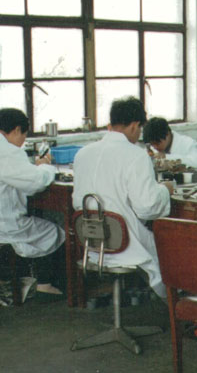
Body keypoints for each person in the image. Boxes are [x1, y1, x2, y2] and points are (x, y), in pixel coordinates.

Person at [72, 97, 173, 299]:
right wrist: (164, 190)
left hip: (92, 243)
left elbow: (77, 201)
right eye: (140, 129)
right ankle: (179, 306)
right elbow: (147, 207)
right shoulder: (136, 155)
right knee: (170, 249)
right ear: (135, 125)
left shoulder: (83, 153)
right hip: (124, 243)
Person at [0, 108, 65, 295]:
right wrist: (45, 167)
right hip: (7, 225)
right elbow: (36, 183)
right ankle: (45, 283)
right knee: (56, 231)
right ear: (16, 130)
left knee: (39, 226)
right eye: (24, 136)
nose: (22, 142)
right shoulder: (8, 151)